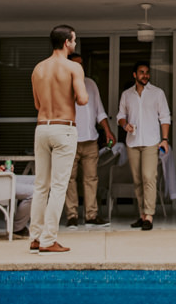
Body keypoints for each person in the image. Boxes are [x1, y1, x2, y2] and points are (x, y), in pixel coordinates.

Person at [28, 25, 88, 254]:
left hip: (42, 127)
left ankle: (35, 237)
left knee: (41, 186)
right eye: (74, 40)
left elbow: (37, 104)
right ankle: (48, 239)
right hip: (64, 129)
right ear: (67, 43)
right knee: (59, 186)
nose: (75, 43)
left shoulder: (38, 69)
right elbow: (82, 99)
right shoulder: (73, 67)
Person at [117, 62, 172, 231]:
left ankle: (149, 215)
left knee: (149, 177)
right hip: (132, 142)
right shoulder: (127, 95)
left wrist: (164, 139)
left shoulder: (157, 93)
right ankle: (142, 215)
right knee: (138, 180)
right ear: (134, 75)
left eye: (147, 72)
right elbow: (121, 115)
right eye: (142, 72)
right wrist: (125, 125)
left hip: (151, 142)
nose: (145, 75)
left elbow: (165, 117)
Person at [63, 53, 116, 230]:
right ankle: (71, 216)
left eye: (81, 64)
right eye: (75, 64)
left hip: (91, 139)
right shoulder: (62, 84)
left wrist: (107, 131)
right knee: (69, 179)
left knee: (91, 178)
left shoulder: (90, 84)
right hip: (69, 139)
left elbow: (99, 111)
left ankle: (91, 215)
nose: (79, 67)